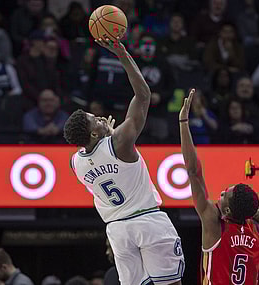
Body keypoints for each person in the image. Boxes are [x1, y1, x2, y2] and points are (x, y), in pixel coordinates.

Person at [63, 38, 184, 285]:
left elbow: (99, 155)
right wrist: (122, 53)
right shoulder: (120, 141)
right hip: (148, 220)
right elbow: (143, 95)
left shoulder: (75, 162)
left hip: (117, 231)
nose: (98, 117)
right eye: (94, 119)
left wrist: (106, 135)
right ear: (94, 133)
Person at [179, 89, 259, 285]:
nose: (222, 192)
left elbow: (193, 171)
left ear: (226, 210)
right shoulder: (257, 226)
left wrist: (183, 124)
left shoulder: (214, 225)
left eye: (225, 194)